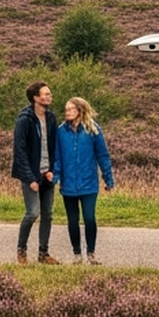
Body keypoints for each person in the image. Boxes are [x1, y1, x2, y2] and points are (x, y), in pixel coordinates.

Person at [55, 95, 114, 265]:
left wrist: (108, 178)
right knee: (72, 220)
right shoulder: (60, 131)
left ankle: (91, 253)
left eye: (70, 109)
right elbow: (57, 158)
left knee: (89, 218)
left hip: (89, 183)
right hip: (68, 184)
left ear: (79, 111)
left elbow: (103, 156)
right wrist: (55, 178)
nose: (67, 112)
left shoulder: (94, 130)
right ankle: (77, 254)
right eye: (66, 109)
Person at [11, 81, 60, 265]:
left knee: (47, 214)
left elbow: (55, 147)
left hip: (47, 173)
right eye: (45, 94)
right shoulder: (24, 119)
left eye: (49, 93)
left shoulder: (51, 118)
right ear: (35, 98)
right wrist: (30, 177)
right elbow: (20, 151)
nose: (49, 96)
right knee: (33, 213)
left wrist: (53, 170)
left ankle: (43, 253)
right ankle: (21, 251)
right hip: (31, 174)